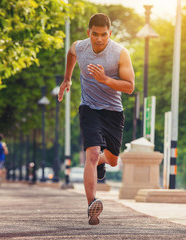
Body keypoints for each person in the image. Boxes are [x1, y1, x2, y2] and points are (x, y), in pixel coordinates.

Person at [58, 13, 134, 225]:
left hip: (113, 111)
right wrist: (67, 78)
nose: (99, 39)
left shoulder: (120, 53)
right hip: (89, 108)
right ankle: (93, 205)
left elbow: (129, 86)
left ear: (110, 33)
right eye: (95, 34)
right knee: (91, 153)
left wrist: (105, 79)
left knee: (111, 160)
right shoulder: (81, 47)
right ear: (88, 33)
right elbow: (71, 54)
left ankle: (102, 161)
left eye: (103, 35)